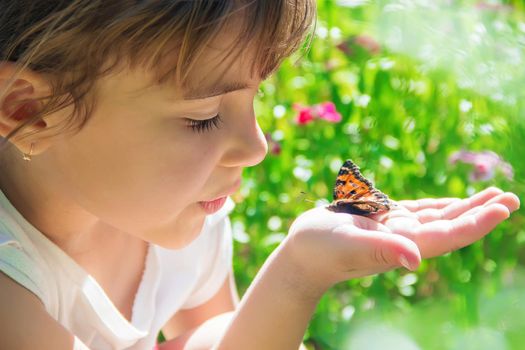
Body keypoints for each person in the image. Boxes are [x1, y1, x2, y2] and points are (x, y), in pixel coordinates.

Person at [0, 1, 519, 349]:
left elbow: (216, 339)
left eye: (256, 96)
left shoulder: (182, 218)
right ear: (29, 112)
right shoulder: (11, 298)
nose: (255, 147)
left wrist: (297, 273)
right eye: (202, 117)